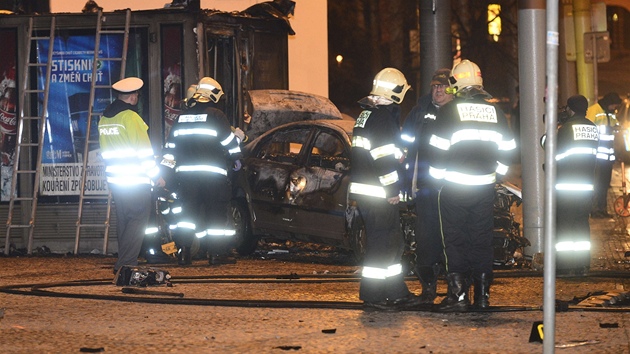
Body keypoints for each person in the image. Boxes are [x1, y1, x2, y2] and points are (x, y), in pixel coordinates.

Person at [428, 60, 516, 311]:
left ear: (456, 84)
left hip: (454, 188)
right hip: (484, 189)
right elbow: (509, 151)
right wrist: (495, 175)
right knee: (481, 241)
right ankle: (483, 297)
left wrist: (437, 180)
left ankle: (458, 296)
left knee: (455, 241)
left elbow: (437, 151)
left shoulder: (449, 112)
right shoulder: (495, 112)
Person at [349, 67, 422, 311]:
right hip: (379, 193)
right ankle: (373, 294)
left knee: (392, 242)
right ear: (397, 92)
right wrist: (392, 190)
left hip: (368, 191)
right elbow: (382, 158)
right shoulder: (382, 118)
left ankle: (395, 291)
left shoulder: (366, 115)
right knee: (383, 244)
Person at [160, 77, 242, 266]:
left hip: (187, 178)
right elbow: (229, 145)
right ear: (212, 95)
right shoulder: (216, 115)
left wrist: (165, 174)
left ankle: (184, 254)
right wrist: (238, 152)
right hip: (213, 177)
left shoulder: (182, 117)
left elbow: (170, 149)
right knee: (216, 215)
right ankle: (215, 255)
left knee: (187, 216)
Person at [98, 77, 164, 274]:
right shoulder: (131, 118)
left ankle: (123, 263)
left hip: (117, 181)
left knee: (124, 221)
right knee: (137, 221)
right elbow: (144, 152)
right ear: (133, 96)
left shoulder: (105, 118)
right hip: (136, 180)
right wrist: (156, 176)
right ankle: (126, 264)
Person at [400, 68, 453, 303]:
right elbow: (404, 146)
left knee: (452, 239)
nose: (438, 90)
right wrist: (404, 179)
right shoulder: (420, 111)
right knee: (427, 239)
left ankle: (455, 289)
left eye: (442, 86)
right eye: (435, 86)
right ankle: (428, 288)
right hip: (425, 187)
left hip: (452, 188)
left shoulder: (457, 112)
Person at [542, 95, 598, 276]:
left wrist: (551, 132)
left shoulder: (566, 129)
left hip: (566, 187)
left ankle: (566, 266)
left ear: (571, 109)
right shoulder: (593, 128)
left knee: (565, 225)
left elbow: (555, 154)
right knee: (582, 224)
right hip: (586, 186)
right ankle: (582, 265)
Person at [587, 92, 622, 219]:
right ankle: (595, 210)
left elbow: (615, 126)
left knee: (604, 185)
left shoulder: (610, 113)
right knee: (597, 184)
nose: (614, 108)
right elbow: (589, 127)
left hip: (607, 157)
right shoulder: (594, 110)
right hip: (597, 157)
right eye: (614, 105)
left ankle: (602, 209)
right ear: (609, 102)